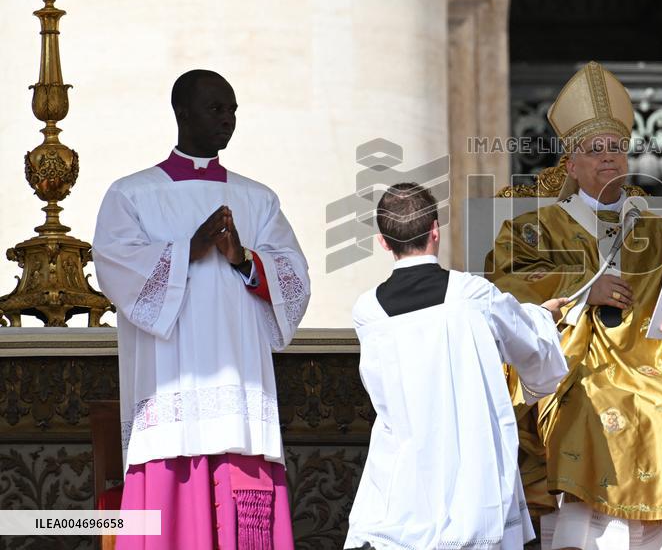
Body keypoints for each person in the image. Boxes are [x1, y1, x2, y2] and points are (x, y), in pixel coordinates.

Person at [485, 61, 662, 550]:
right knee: (597, 403)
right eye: (594, 151)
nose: (609, 159)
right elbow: (505, 287)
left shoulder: (661, 231)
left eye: (617, 149)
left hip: (656, 365)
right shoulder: (534, 228)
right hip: (577, 369)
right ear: (570, 164)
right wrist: (583, 289)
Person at [93, 69, 310, 550]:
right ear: (182, 113)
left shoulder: (258, 198)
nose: (228, 120)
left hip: (240, 394)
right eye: (217, 109)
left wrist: (243, 259)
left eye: (233, 109)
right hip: (169, 387)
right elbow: (115, 267)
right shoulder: (131, 194)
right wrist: (186, 249)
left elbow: (294, 278)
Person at [345, 183, 569, 550]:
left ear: (383, 242)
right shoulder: (472, 295)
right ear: (435, 230)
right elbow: (530, 346)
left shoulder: (368, 311)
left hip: (405, 476)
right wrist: (543, 316)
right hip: (471, 471)